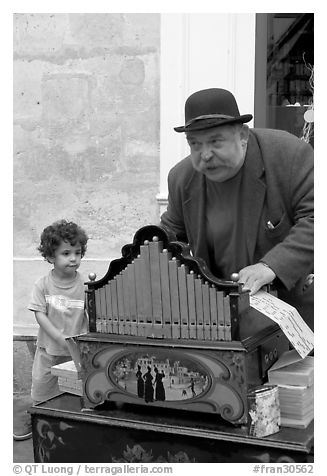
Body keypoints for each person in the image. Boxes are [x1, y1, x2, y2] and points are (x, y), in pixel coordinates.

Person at [160, 88, 313, 330]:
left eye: (215, 141)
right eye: (195, 144)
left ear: (242, 135)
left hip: (292, 317)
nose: (205, 155)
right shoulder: (181, 178)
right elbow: (167, 239)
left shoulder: (289, 155)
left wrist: (270, 266)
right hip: (217, 322)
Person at [13, 219, 89, 441]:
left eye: (77, 252)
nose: (73, 258)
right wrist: (58, 336)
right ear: (50, 257)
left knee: (76, 390)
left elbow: (89, 316)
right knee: (41, 386)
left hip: (75, 352)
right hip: (48, 350)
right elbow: (39, 314)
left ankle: (72, 424)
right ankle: (36, 416)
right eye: (66, 253)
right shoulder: (43, 285)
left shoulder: (84, 286)